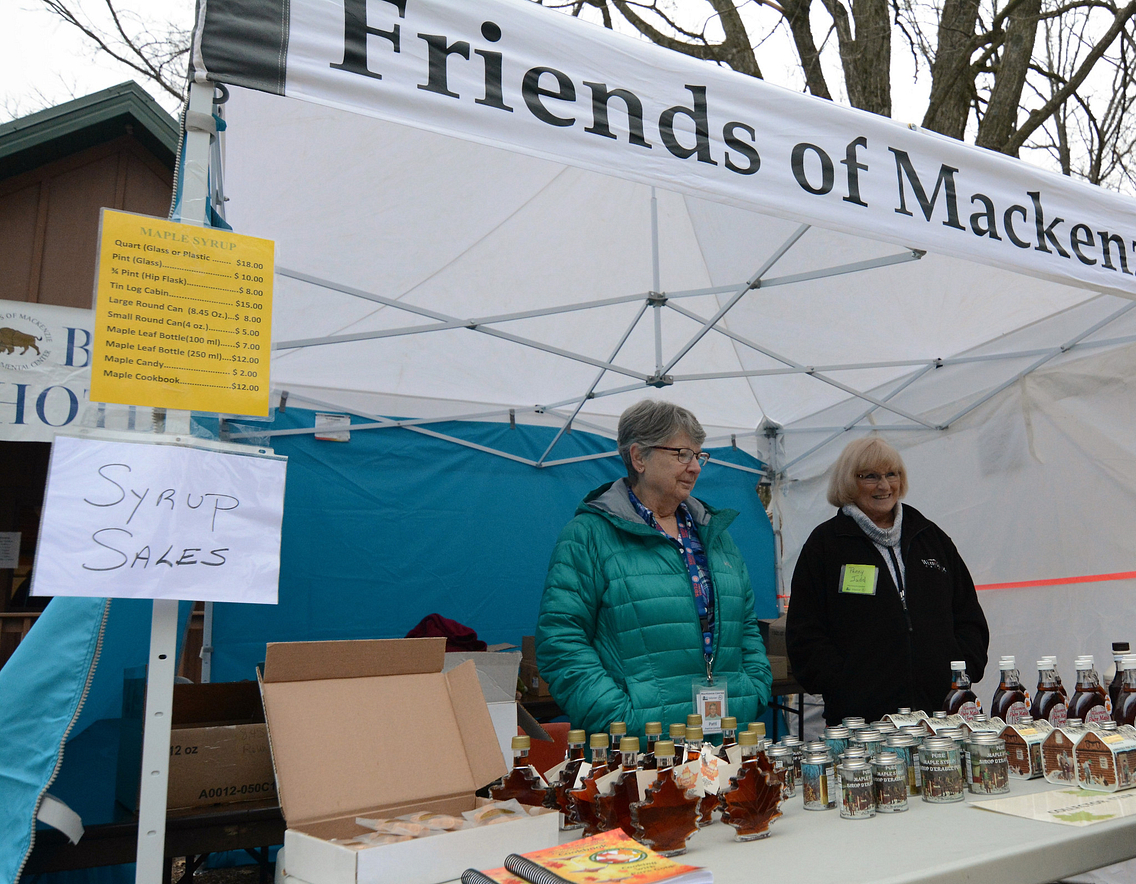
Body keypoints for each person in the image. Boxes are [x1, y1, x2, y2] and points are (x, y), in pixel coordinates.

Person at [535, 399, 772, 740]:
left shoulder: (715, 535)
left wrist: (752, 691)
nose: (696, 467)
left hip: (726, 738)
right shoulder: (589, 536)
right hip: (637, 750)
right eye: (682, 454)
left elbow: (745, 625)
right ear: (639, 457)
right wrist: (621, 719)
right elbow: (560, 642)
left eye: (699, 455)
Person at [786, 437, 989, 724]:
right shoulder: (826, 546)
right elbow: (804, 632)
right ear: (848, 482)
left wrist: (961, 671)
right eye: (870, 476)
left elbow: (969, 616)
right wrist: (842, 684)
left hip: (941, 717)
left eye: (891, 474)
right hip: (862, 723)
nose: (884, 486)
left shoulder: (930, 538)